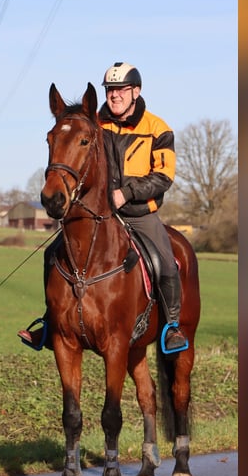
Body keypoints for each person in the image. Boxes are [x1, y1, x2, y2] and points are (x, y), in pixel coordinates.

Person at [18, 62, 187, 351]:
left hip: (139, 212)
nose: (115, 95)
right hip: (97, 213)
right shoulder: (94, 123)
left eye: (121, 89)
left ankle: (171, 326)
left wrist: (127, 193)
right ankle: (50, 321)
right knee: (52, 254)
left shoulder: (158, 128)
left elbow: (164, 176)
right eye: (110, 89)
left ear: (136, 91)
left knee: (165, 262)